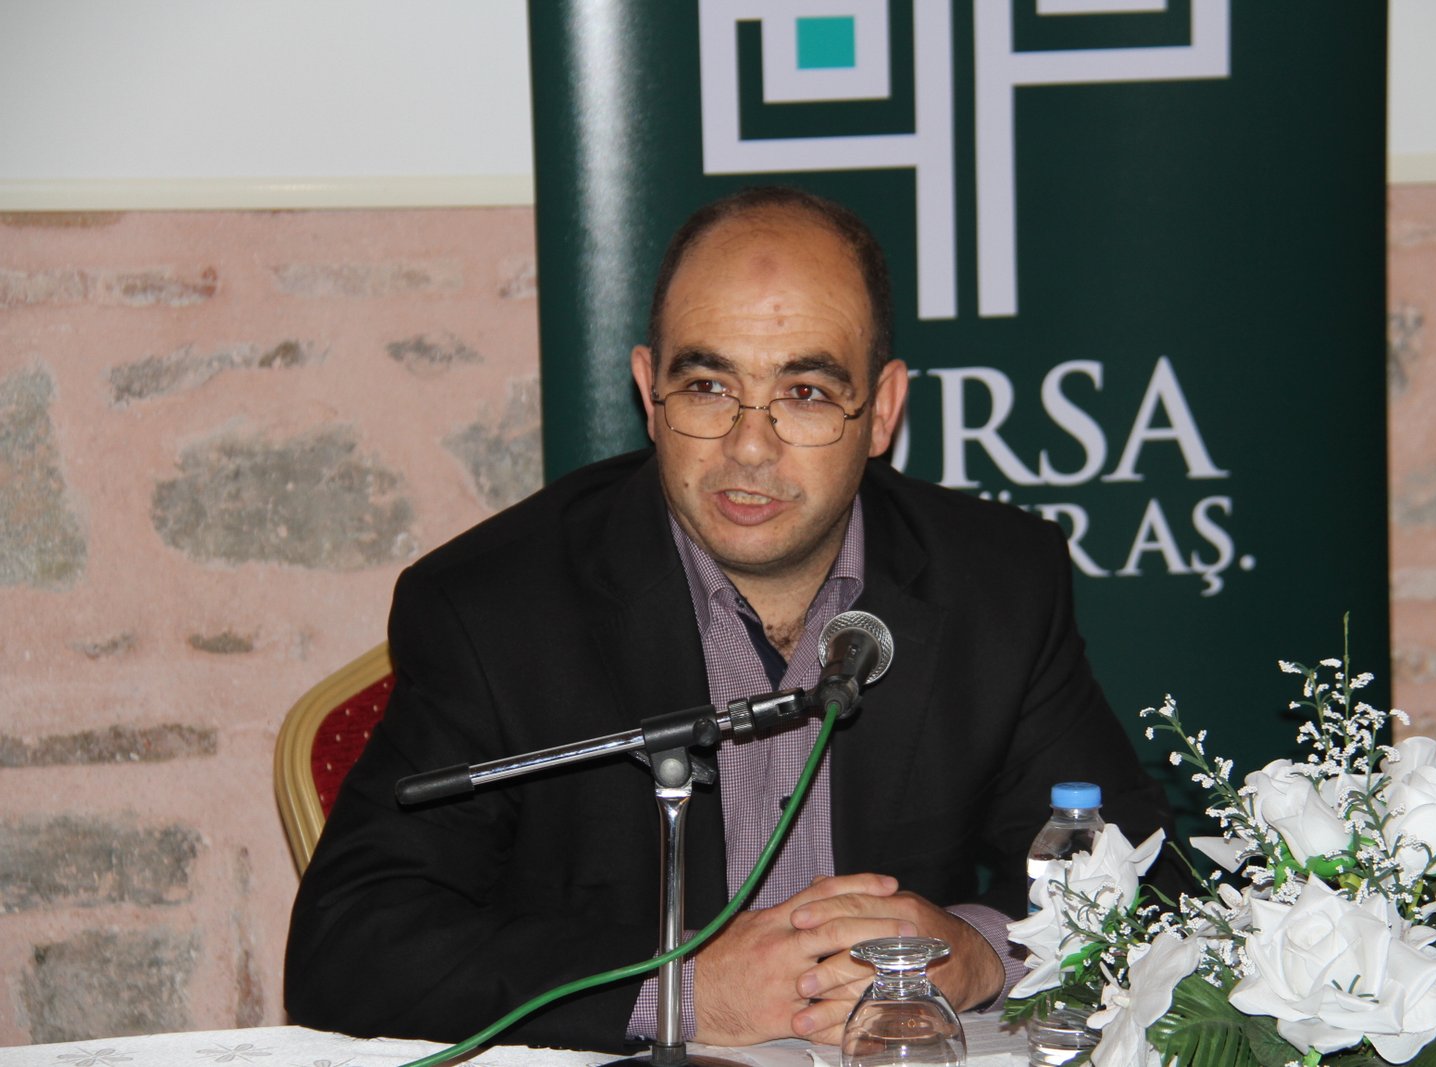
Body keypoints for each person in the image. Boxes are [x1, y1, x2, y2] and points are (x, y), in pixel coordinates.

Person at [284, 187, 1179, 1052]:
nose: (750, 447)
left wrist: (981, 952)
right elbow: (351, 943)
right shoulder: (497, 608)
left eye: (806, 393)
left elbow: (1152, 880)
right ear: (650, 391)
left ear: (882, 412)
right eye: (709, 385)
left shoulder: (995, 585)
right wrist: (682, 988)